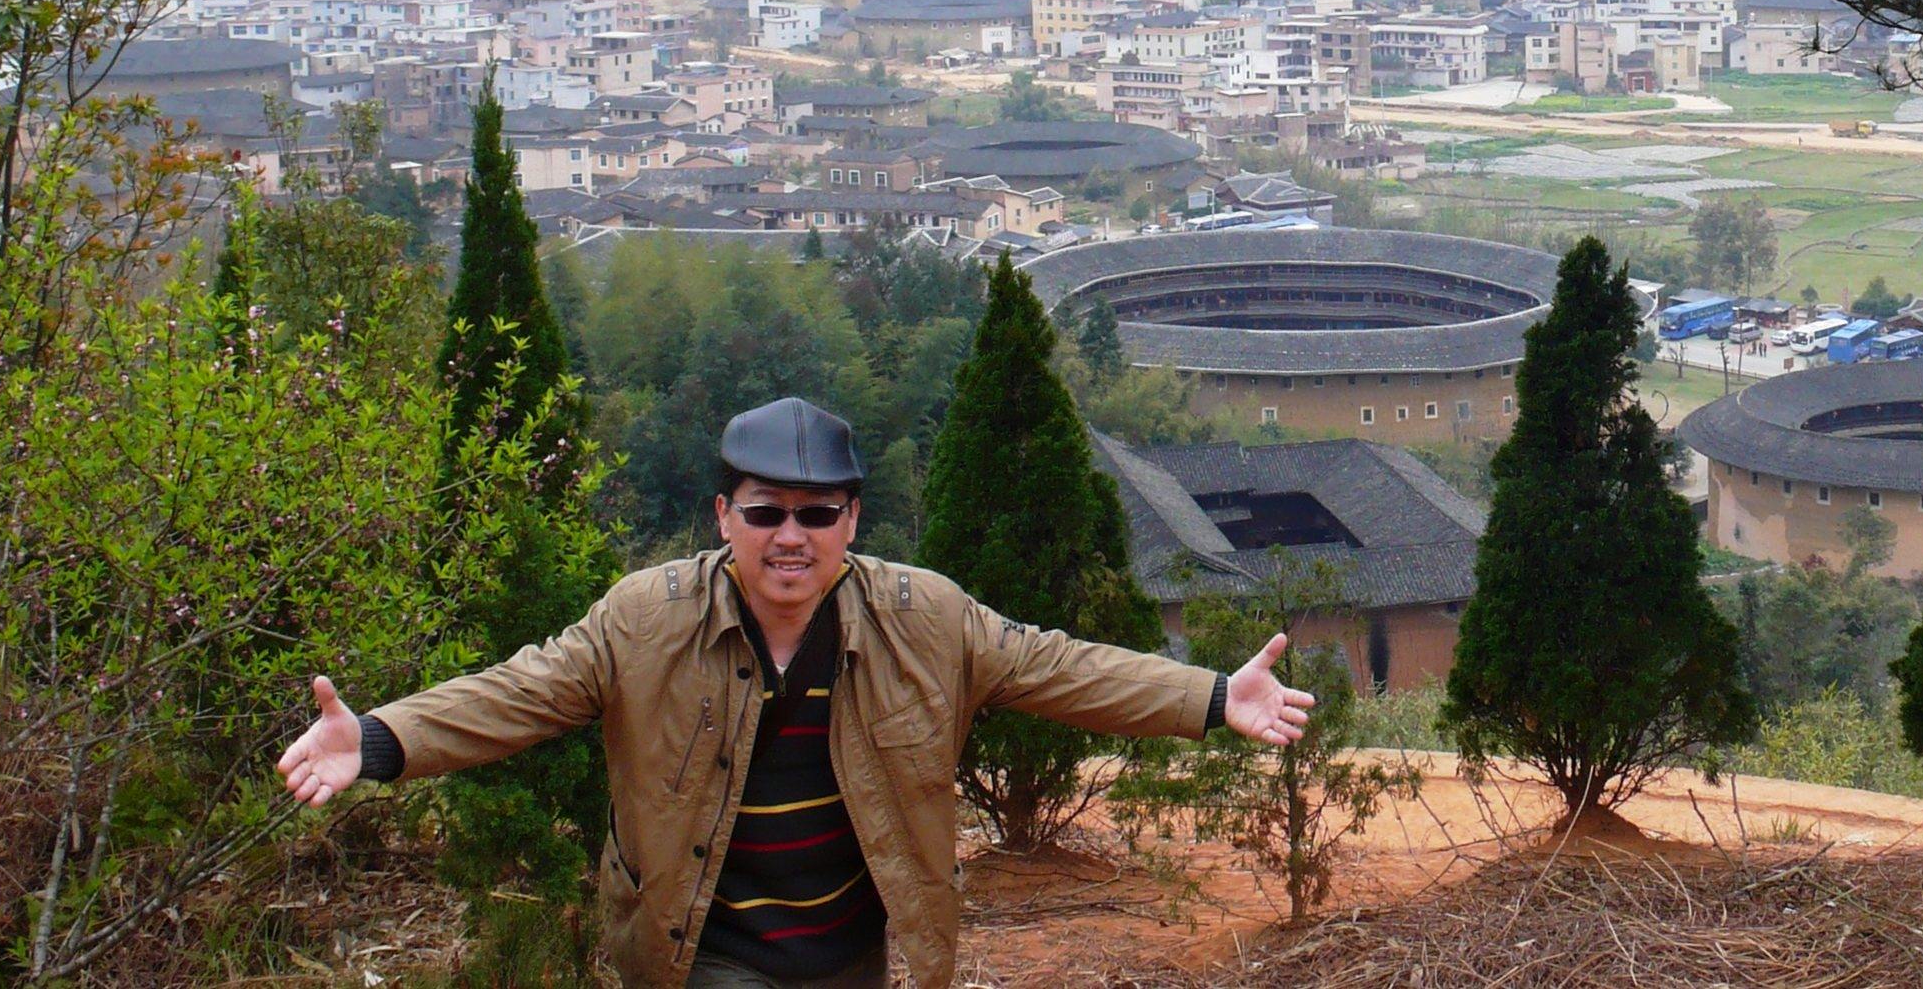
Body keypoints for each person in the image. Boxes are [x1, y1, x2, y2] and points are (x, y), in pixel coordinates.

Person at [278, 396, 1314, 988]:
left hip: (858, 949)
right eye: (766, 509)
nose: (791, 534)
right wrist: (376, 737)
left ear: (852, 520)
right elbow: (521, 690)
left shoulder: (926, 616)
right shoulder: (645, 617)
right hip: (704, 946)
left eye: (817, 512)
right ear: (723, 513)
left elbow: (1059, 663)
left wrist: (1212, 693)